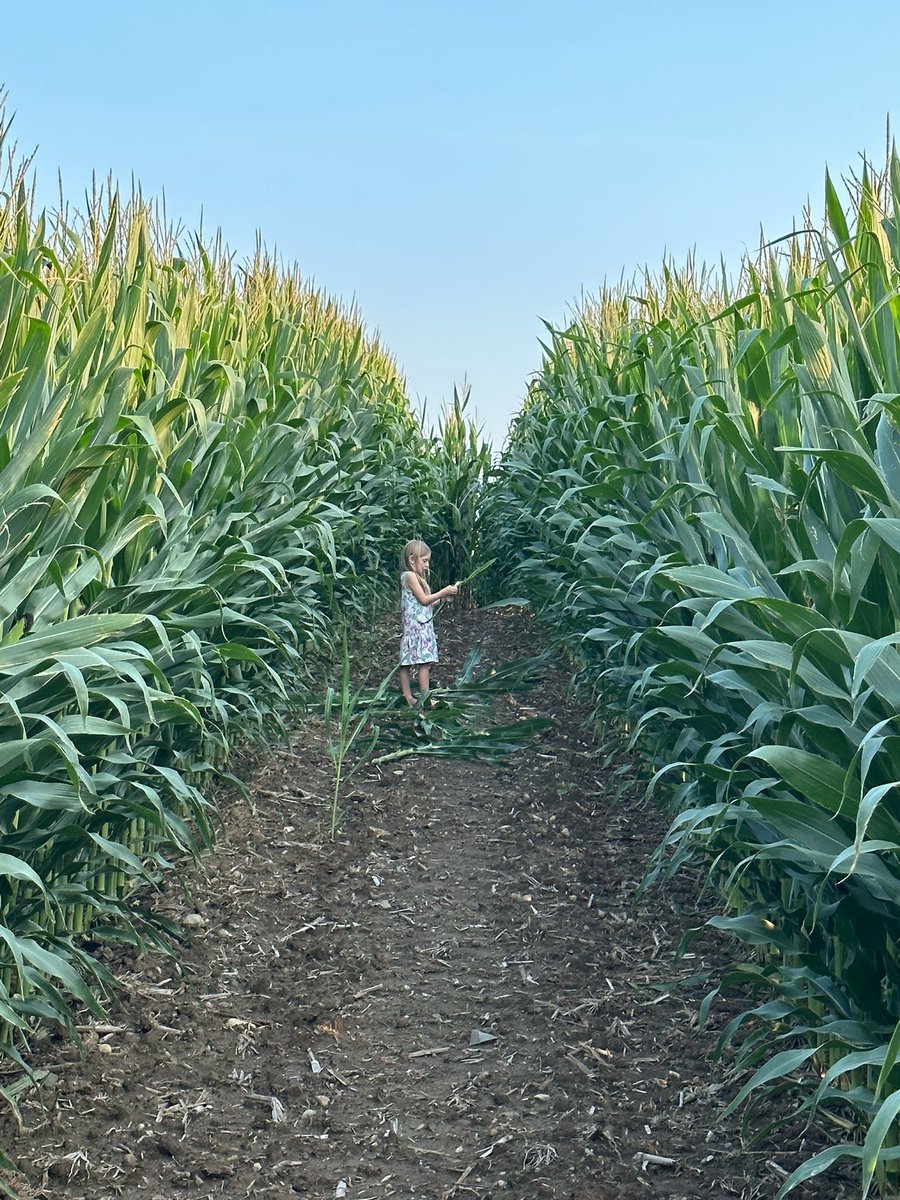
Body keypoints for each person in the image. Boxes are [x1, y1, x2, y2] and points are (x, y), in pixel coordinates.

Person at [398, 539, 458, 705]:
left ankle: (411, 696)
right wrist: (443, 591)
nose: (427, 565)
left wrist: (442, 599)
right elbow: (424, 600)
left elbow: (424, 602)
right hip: (417, 627)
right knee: (422, 663)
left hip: (419, 625)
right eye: (424, 561)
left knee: (410, 663)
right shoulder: (409, 576)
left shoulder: (414, 577)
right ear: (412, 559)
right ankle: (421, 697)